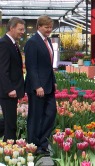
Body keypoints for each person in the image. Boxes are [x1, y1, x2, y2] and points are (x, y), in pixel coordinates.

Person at [24, 15, 57, 155]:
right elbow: (31, 66)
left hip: (48, 85)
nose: (49, 29)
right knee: (35, 116)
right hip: (38, 87)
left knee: (51, 113)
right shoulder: (33, 42)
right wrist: (37, 86)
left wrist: (53, 80)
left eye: (50, 27)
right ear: (39, 27)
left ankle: (43, 142)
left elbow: (48, 65)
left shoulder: (47, 40)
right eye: (46, 27)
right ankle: (33, 145)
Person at [0, 17, 25, 142]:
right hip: (8, 93)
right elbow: (2, 69)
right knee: (10, 125)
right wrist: (9, 89)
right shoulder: (4, 43)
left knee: (9, 122)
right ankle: (10, 152)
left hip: (12, 91)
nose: (23, 32)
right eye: (20, 29)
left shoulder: (12, 43)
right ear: (11, 28)